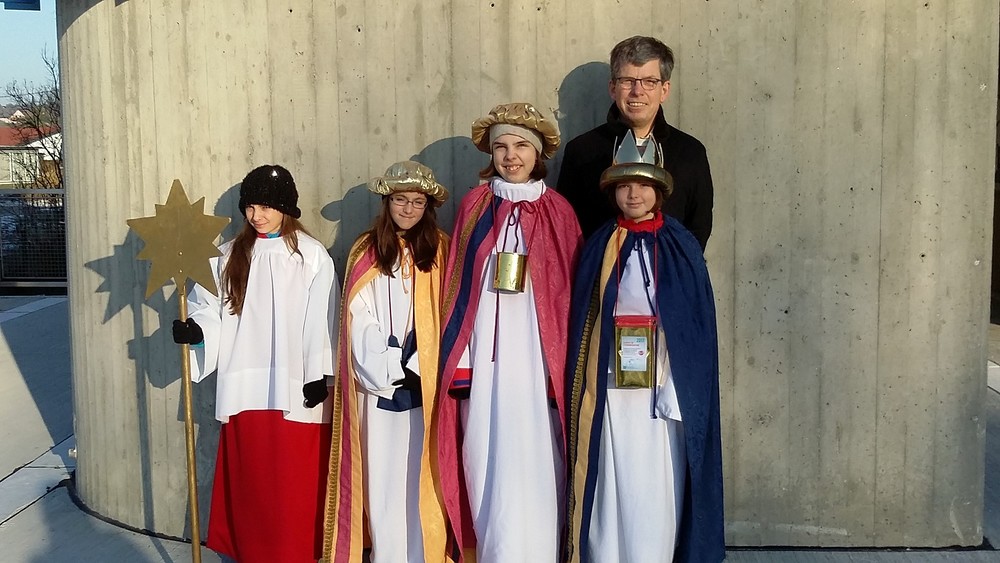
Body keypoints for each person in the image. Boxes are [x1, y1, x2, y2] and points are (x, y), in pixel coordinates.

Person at [563, 133, 724, 563]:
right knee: (610, 477)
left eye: (643, 185)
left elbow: (692, 328)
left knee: (655, 482)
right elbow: (584, 321)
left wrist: (677, 387)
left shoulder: (680, 246)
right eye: (624, 186)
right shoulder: (600, 244)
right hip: (610, 388)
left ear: (659, 191)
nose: (633, 194)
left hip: (659, 390)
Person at [435, 103, 583, 563]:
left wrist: (560, 368)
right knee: (484, 453)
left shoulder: (559, 211)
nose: (510, 155)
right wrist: (463, 362)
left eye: (521, 145)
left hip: (537, 360)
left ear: (538, 153)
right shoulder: (474, 206)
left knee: (540, 455)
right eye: (501, 147)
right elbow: (457, 292)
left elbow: (567, 295)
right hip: (486, 361)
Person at [171, 164, 339, 563]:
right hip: (245, 385)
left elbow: (324, 315)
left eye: (265, 207)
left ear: (286, 208)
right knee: (255, 479)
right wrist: (197, 331)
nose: (255, 215)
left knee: (293, 481)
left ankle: (296, 553)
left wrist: (319, 374)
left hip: (296, 387)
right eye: (250, 206)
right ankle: (253, 552)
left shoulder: (311, 255)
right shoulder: (229, 254)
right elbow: (211, 308)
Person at [323, 161, 450, 563]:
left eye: (417, 202)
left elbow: (450, 311)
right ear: (386, 202)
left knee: (421, 474)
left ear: (428, 206)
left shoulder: (441, 249)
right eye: (400, 200)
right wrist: (390, 364)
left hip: (426, 382)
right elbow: (356, 314)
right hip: (379, 384)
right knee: (382, 476)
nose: (408, 209)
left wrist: (422, 362)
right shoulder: (366, 249)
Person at [557, 35, 714, 248]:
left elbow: (699, 226)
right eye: (627, 81)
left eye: (650, 82)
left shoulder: (690, 152)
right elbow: (567, 229)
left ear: (664, 90)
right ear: (613, 88)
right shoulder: (581, 152)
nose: (637, 91)